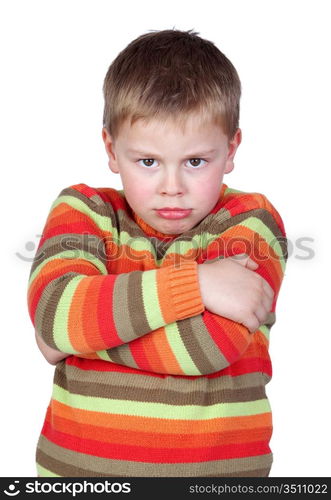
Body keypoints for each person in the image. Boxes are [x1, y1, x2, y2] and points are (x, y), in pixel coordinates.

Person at [27, 28, 288, 477]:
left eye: (195, 161)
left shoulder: (250, 219)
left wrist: (76, 337)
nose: (172, 187)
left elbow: (208, 344)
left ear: (231, 150)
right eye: (148, 161)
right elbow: (54, 313)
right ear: (112, 149)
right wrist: (198, 284)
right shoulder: (84, 209)